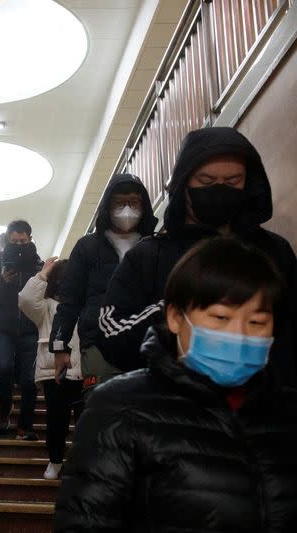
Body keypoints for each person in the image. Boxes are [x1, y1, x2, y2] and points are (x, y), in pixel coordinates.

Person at [55, 237, 297, 532]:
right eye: (221, 317)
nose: (240, 335)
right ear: (175, 317)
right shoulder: (119, 408)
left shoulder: (286, 410)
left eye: (257, 322)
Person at [98, 127, 297, 384]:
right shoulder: (150, 255)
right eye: (206, 181)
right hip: (175, 409)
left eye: (233, 181)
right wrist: (180, 309)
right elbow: (111, 334)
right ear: (183, 184)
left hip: (267, 411)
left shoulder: (275, 251)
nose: (220, 189)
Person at [49, 174, 156, 400]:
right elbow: (69, 301)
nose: (127, 210)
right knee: (101, 411)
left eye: (134, 203)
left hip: (149, 342)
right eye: (119, 203)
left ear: (143, 206)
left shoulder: (154, 246)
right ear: (108, 206)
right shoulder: (87, 247)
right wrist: (59, 348)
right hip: (98, 343)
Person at [18, 257, 82, 480]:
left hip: (84, 369)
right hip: (53, 371)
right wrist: (43, 273)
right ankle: (55, 461)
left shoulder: (87, 303)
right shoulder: (45, 306)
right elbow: (26, 300)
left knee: (86, 420)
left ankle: (82, 464)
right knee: (57, 420)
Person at [0, 220, 43, 439]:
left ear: (30, 239)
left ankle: (24, 426)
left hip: (31, 326)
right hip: (4, 325)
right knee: (4, 367)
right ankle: (5, 408)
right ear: (8, 239)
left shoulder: (38, 264)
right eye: (14, 241)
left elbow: (44, 293)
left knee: (29, 379)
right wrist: (0, 284)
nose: (19, 244)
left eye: (23, 241)